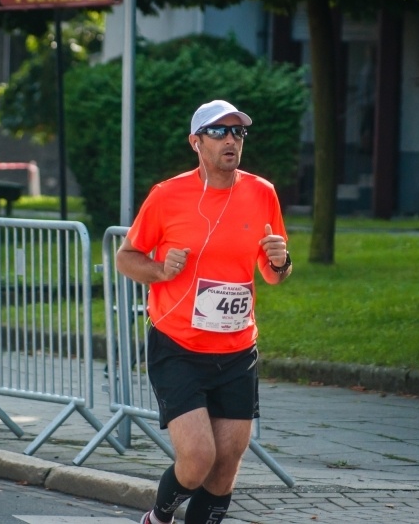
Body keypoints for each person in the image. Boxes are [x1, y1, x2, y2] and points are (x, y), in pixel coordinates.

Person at [116, 100, 292, 524]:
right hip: (178, 344)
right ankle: (158, 518)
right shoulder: (167, 195)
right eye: (219, 132)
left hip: (236, 349)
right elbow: (126, 257)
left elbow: (273, 273)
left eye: (238, 133)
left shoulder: (261, 192)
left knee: (225, 467)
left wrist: (281, 260)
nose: (231, 140)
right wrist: (160, 268)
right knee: (197, 459)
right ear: (196, 142)